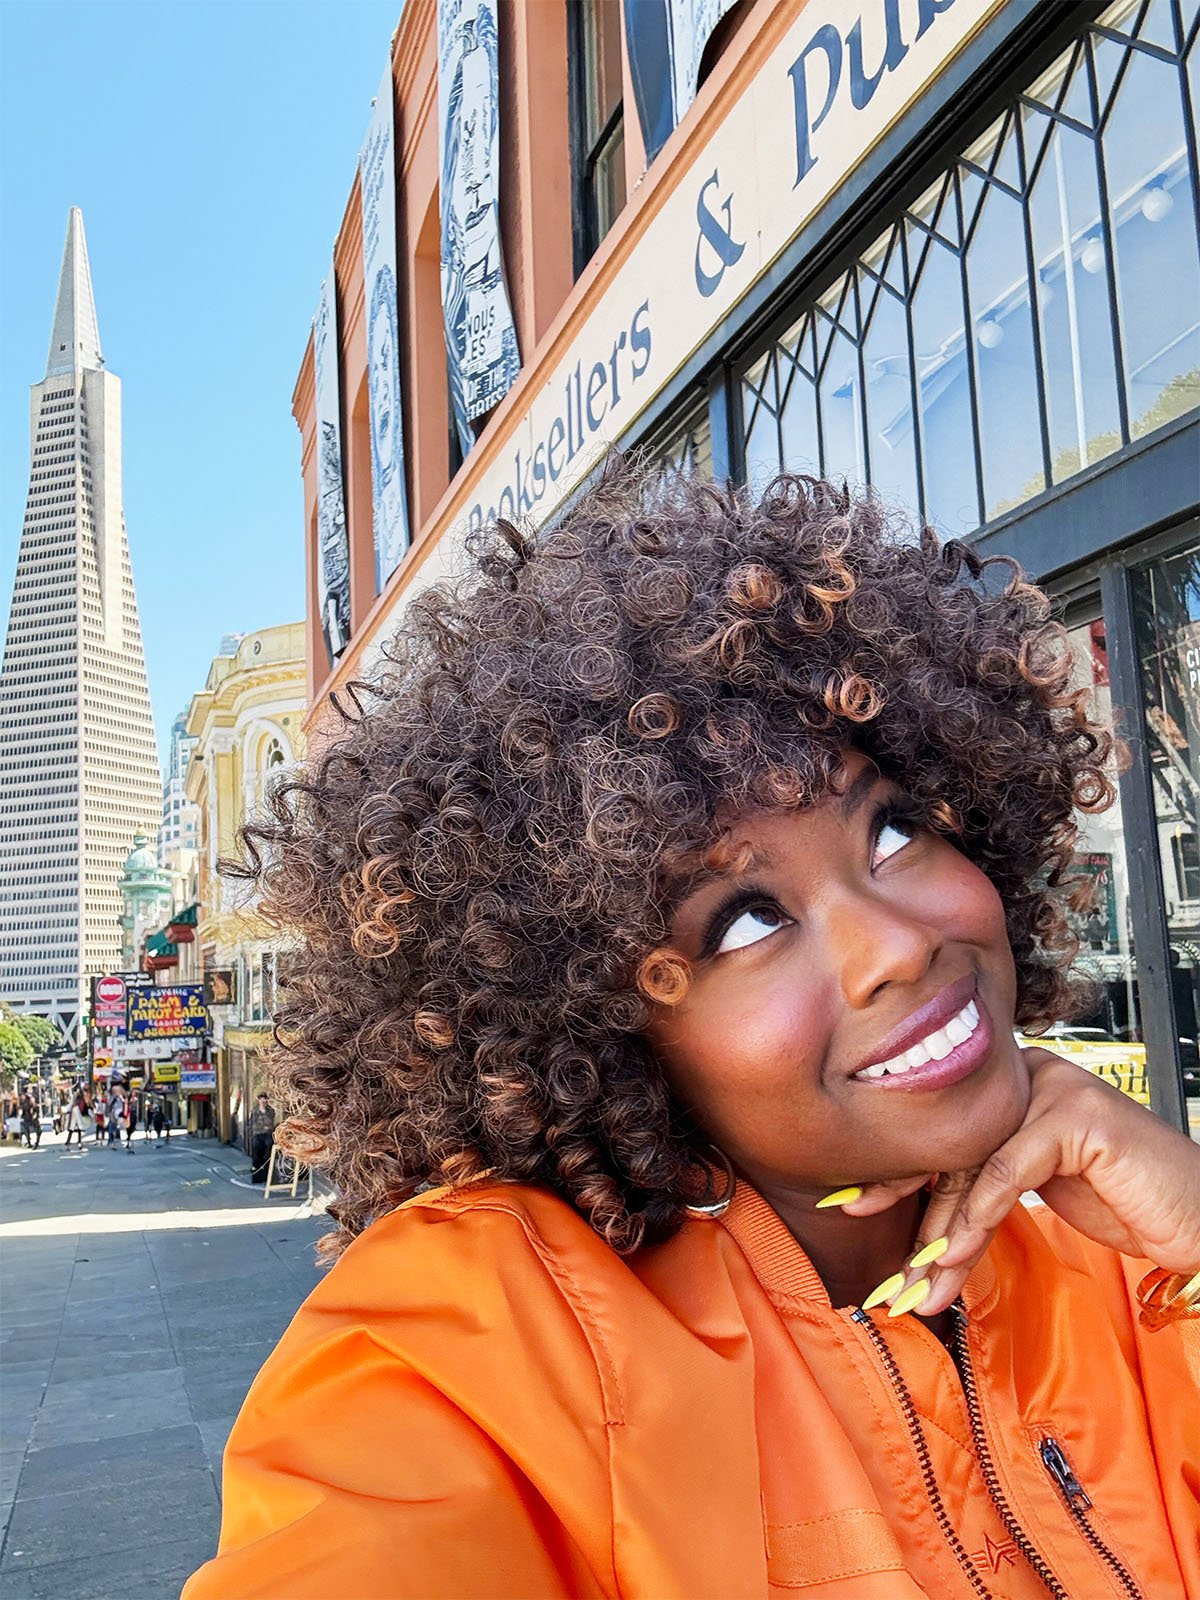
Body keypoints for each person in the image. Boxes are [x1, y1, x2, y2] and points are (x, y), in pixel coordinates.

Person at [183, 468, 1200, 1600]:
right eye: (744, 920)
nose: (897, 947)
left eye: (895, 826)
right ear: (601, 1028)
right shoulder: (477, 1343)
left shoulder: (1124, 1251)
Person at [248, 1094, 276, 1184]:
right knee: (256, 1151)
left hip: (267, 1133)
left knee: (268, 1152)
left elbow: (270, 1122)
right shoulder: (255, 1110)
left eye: (265, 1101)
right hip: (257, 1133)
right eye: (261, 1100)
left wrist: (264, 1112)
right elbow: (253, 1123)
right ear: (259, 1101)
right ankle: (257, 1171)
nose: (263, 1102)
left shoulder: (270, 1111)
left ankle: (267, 1172)